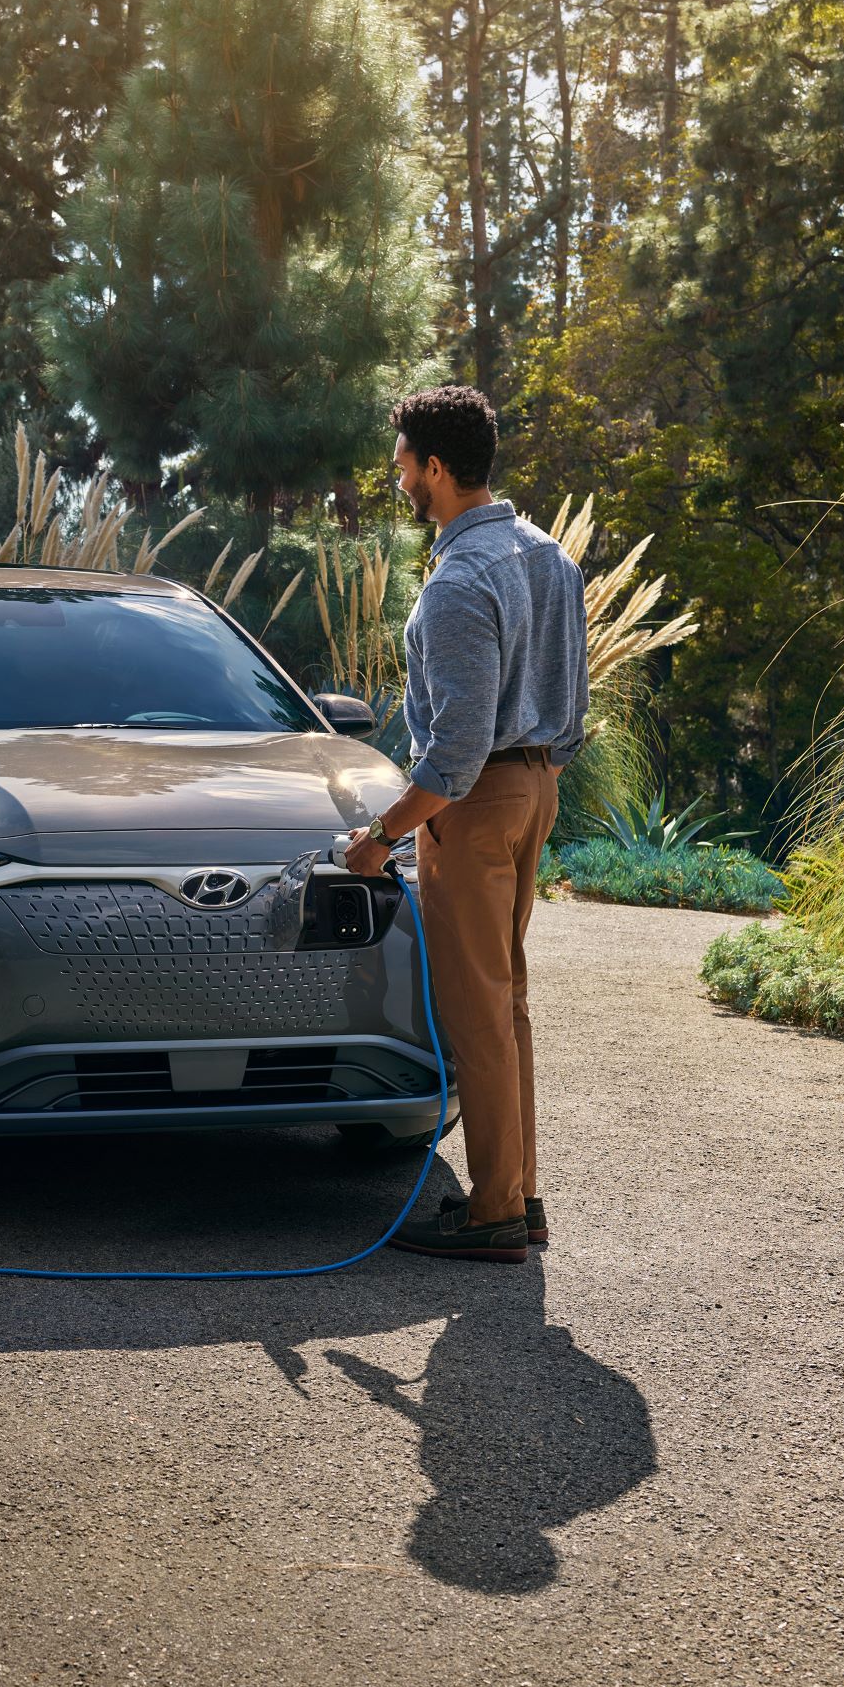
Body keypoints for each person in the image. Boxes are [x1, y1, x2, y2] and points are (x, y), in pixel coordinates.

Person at [341, 386, 588, 1262]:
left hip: (474, 804)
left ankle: (491, 1217)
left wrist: (381, 839)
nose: (397, 476)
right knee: (506, 1000)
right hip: (533, 793)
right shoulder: (550, 557)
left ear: (435, 469)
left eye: (403, 462)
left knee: (476, 1014)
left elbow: (453, 748)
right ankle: (516, 1195)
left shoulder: (457, 582)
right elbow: (571, 709)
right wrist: (530, 784)